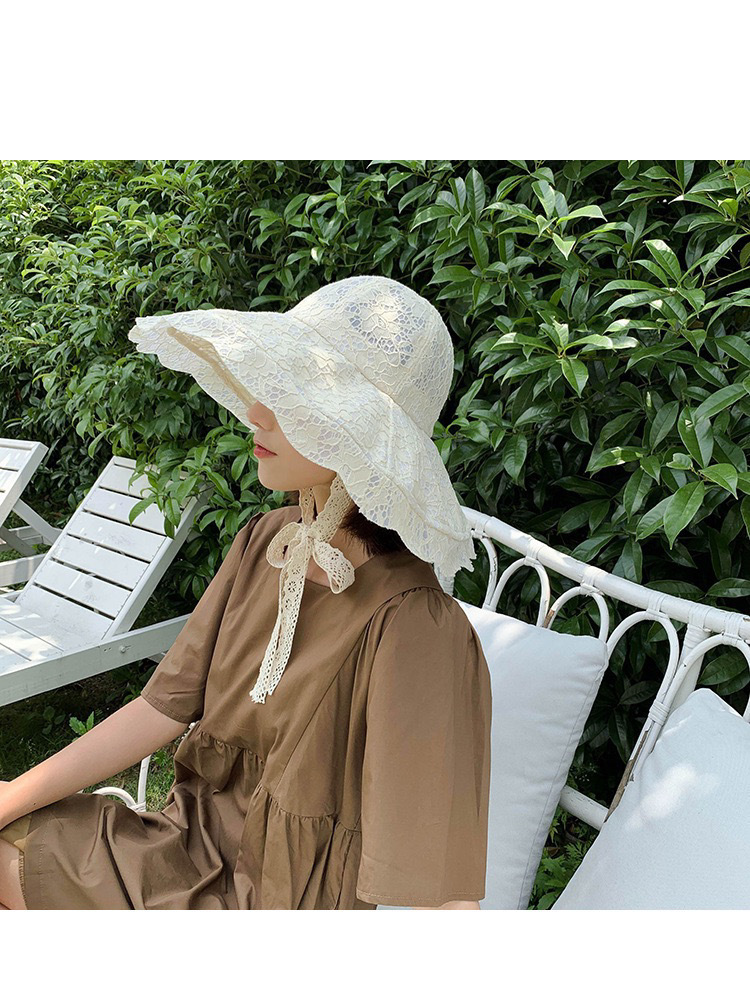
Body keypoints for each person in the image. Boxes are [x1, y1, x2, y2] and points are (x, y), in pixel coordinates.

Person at [0, 275, 492, 910]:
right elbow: (162, 708)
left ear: (356, 434)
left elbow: (439, 892)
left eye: (293, 399)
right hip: (183, 845)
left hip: (281, 900)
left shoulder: (415, 623)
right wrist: (11, 796)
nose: (257, 413)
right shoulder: (267, 541)